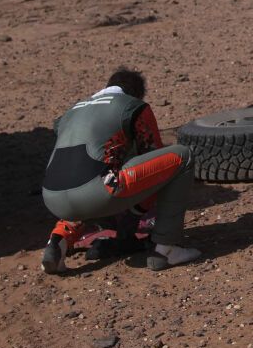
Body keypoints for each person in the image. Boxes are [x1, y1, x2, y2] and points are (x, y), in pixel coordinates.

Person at [39, 69, 201, 274]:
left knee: (82, 177)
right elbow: (152, 155)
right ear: (135, 94)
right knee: (181, 157)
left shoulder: (70, 113)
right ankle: (166, 249)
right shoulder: (133, 107)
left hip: (52, 196)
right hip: (99, 191)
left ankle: (58, 241)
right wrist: (136, 212)